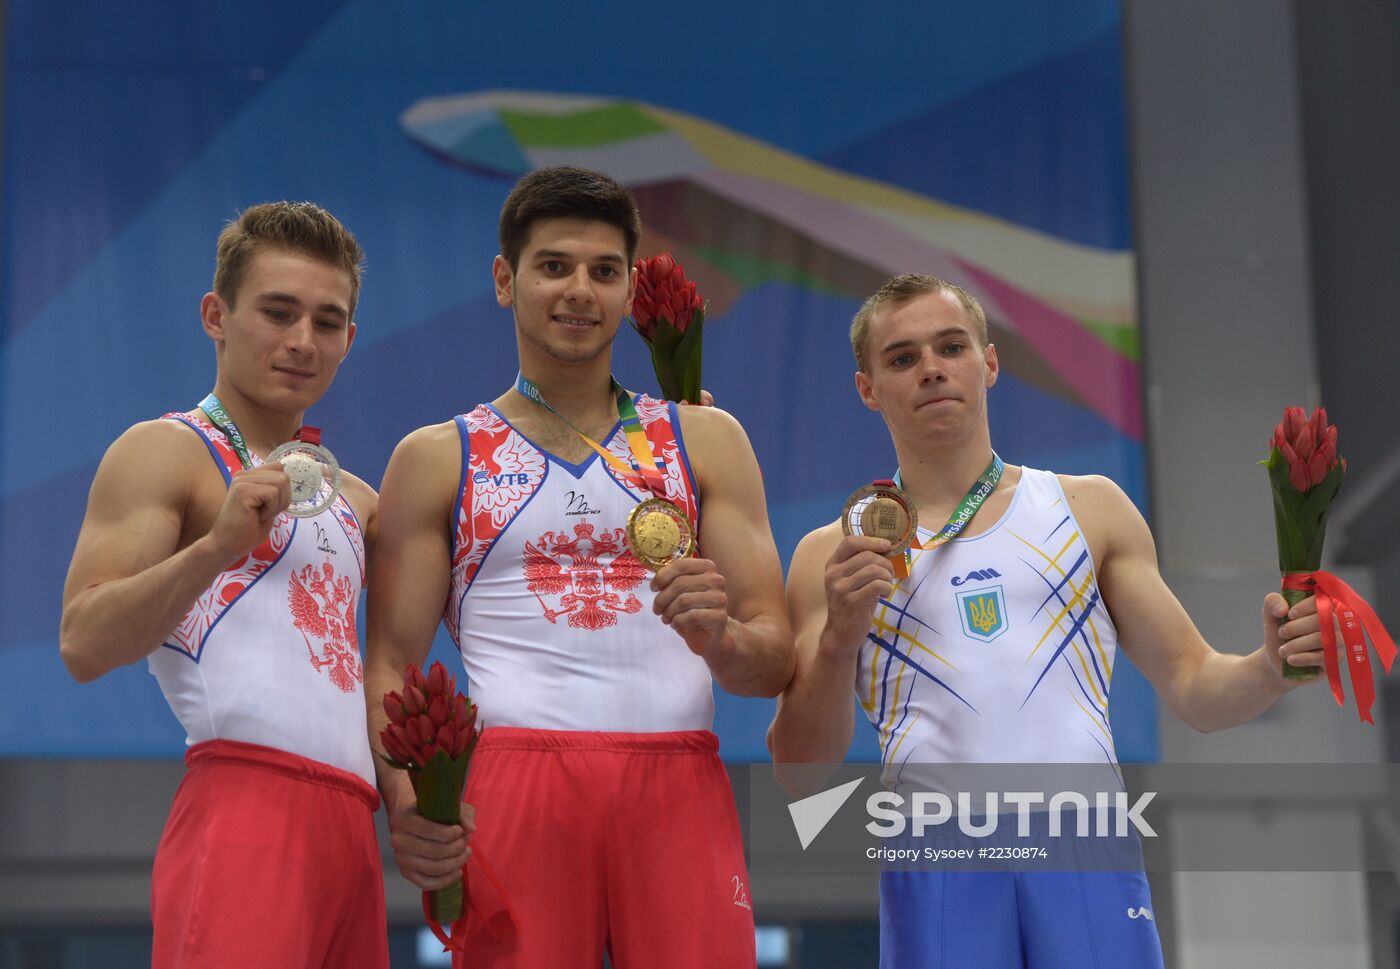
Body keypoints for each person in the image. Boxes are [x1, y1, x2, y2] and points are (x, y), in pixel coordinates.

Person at [767, 274, 1327, 969]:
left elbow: (1194, 686)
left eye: (951, 346)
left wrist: (1269, 667)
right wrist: (837, 640)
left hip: (1084, 838)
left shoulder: (1089, 510)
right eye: (903, 357)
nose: (933, 368)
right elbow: (798, 773)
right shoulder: (834, 553)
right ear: (867, 388)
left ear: (990, 362)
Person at [365, 165, 794, 968]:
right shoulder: (435, 458)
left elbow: (773, 658)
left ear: (633, 291)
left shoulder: (705, 440)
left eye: (604, 271)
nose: (579, 290)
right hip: (512, 787)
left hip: (677, 784)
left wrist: (722, 637)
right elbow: (390, 658)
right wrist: (410, 802)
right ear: (506, 280)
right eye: (554, 266)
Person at [59, 202, 385, 969]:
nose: (303, 340)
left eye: (327, 321)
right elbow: (82, 641)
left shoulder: (363, 501)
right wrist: (215, 547)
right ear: (217, 314)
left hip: (355, 827)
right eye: (278, 312)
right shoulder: (165, 453)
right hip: (244, 808)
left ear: (349, 340)